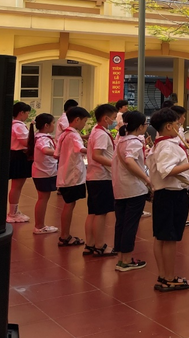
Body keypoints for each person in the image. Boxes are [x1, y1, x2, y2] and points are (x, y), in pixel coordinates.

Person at [148, 107, 189, 291]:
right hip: (171, 194)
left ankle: (163, 275)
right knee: (169, 239)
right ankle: (168, 277)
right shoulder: (167, 146)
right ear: (169, 126)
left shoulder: (162, 143)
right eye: (177, 124)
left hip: (165, 194)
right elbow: (166, 170)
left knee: (162, 238)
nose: (179, 126)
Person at [112, 110, 151, 271]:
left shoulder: (121, 139)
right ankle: (127, 259)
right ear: (141, 126)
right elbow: (129, 161)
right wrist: (146, 179)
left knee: (121, 223)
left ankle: (121, 258)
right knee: (130, 224)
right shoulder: (134, 142)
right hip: (134, 188)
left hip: (120, 186)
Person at [85, 103, 119, 257]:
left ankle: (90, 244)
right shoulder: (101, 134)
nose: (114, 121)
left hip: (94, 176)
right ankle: (99, 245)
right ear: (105, 118)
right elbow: (97, 155)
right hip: (101, 177)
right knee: (101, 213)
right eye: (112, 118)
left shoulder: (96, 131)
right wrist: (116, 164)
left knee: (93, 212)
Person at [55, 106, 91, 246]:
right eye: (84, 121)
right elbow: (80, 149)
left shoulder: (64, 134)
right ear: (77, 120)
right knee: (69, 205)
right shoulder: (74, 134)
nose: (84, 125)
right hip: (72, 176)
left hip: (64, 174)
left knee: (68, 204)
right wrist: (93, 151)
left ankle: (65, 234)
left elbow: (56, 154)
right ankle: (65, 236)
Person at [30, 113, 58, 234]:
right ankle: (39, 226)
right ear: (46, 125)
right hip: (43, 172)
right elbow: (45, 150)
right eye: (53, 123)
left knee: (43, 198)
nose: (54, 126)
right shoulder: (42, 139)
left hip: (44, 171)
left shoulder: (40, 136)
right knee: (42, 199)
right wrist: (59, 153)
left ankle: (40, 225)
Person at [7, 102, 33, 224]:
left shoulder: (14, 125)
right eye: (27, 113)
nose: (27, 115)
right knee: (16, 186)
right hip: (18, 156)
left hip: (16, 155)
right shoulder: (18, 125)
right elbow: (25, 142)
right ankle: (12, 213)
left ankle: (14, 211)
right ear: (21, 113)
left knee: (16, 186)